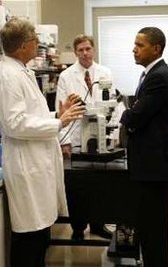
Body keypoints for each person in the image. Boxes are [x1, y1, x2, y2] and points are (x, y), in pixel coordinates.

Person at [0, 18, 85, 267]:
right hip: (26, 165)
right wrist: (59, 123)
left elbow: (28, 116)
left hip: (35, 162)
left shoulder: (21, 71)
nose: (38, 45)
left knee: (40, 235)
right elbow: (15, 124)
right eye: (35, 40)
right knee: (30, 239)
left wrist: (56, 114)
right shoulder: (8, 76)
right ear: (22, 46)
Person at [120, 27, 168, 267]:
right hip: (150, 165)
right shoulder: (151, 74)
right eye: (135, 44)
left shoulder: (159, 76)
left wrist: (125, 115)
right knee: (148, 226)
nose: (134, 49)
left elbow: (137, 116)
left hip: (153, 168)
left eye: (140, 45)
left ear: (156, 49)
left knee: (153, 229)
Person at [55, 34, 114, 240]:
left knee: (99, 183)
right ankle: (78, 227)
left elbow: (110, 104)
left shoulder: (104, 72)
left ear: (94, 49)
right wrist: (65, 140)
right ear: (75, 52)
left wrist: (111, 134)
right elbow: (60, 110)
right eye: (80, 50)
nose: (85, 53)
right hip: (75, 136)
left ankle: (98, 224)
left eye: (88, 48)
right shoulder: (66, 76)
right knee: (77, 185)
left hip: (99, 135)